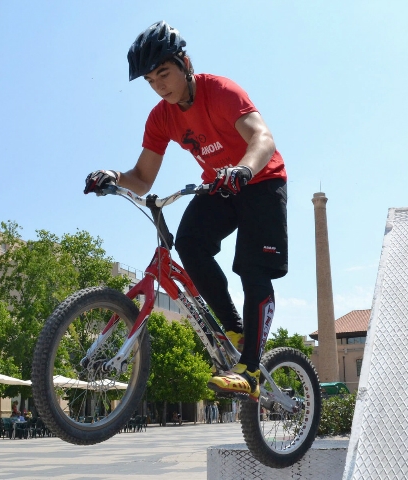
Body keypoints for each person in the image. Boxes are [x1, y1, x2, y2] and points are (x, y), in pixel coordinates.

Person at [84, 21, 287, 402]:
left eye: (164, 73)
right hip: (220, 185)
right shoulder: (161, 117)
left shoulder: (221, 91)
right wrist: (113, 176)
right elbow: (143, 177)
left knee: (251, 267)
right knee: (190, 243)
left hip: (260, 179)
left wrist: (244, 169)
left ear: (185, 63)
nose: (159, 85)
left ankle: (251, 371)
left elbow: (263, 138)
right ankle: (235, 329)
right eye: (150, 80)